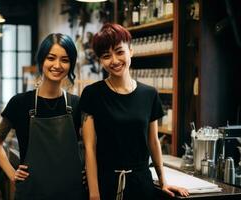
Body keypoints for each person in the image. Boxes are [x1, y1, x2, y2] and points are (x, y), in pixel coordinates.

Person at [80, 23, 189, 200]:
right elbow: (89, 147)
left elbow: (153, 141)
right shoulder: (92, 94)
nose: (114, 60)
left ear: (131, 50)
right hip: (106, 183)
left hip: (141, 184)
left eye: (119, 51)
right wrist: (94, 194)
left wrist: (163, 181)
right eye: (106, 56)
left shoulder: (149, 94)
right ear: (101, 61)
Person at [0, 33, 86, 199]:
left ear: (70, 65)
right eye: (51, 58)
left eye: (65, 59)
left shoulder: (77, 105)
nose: (57, 65)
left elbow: (92, 147)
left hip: (72, 193)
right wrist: (11, 173)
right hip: (31, 192)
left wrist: (89, 172)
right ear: (42, 59)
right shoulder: (20, 103)